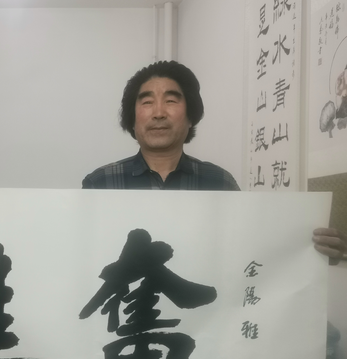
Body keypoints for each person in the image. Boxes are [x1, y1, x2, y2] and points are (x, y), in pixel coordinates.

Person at [82, 60, 346, 261]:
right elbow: (80, 257)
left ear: (191, 116)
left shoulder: (218, 182)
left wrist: (311, 251)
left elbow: (249, 250)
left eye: (171, 100)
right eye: (147, 102)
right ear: (132, 119)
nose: (159, 112)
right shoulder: (100, 183)